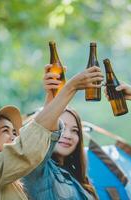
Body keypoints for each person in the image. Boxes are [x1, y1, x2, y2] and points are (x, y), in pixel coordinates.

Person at [0, 66, 103, 200]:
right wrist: (70, 87)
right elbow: (27, 148)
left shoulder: (14, 180)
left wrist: (52, 95)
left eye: (14, 131)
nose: (14, 135)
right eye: (5, 130)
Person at [22, 64, 98, 199]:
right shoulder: (36, 169)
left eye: (75, 131)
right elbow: (41, 131)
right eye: (61, 127)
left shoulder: (79, 178)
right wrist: (65, 89)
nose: (68, 135)